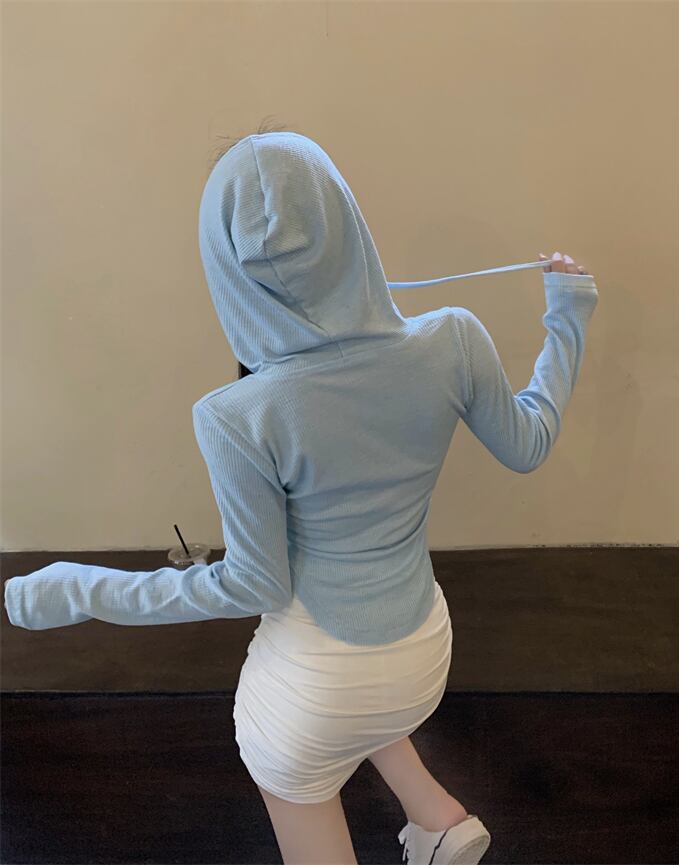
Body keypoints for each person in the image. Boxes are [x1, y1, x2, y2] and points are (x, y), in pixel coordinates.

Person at [4, 128, 598, 865]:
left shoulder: (236, 414)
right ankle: (439, 821)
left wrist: (77, 588)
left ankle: (429, 818)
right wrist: (567, 313)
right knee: (357, 692)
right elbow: (529, 442)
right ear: (344, 222)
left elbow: (253, 585)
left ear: (227, 269)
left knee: (316, 696)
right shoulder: (453, 340)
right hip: (423, 656)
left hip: (313, 696)